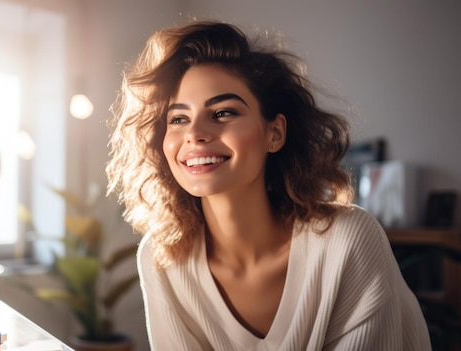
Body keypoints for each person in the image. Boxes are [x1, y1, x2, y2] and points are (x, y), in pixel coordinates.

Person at [106, 20, 431, 350]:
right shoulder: (163, 258)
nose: (195, 133)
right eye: (177, 119)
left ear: (274, 133)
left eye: (223, 112)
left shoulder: (347, 241)